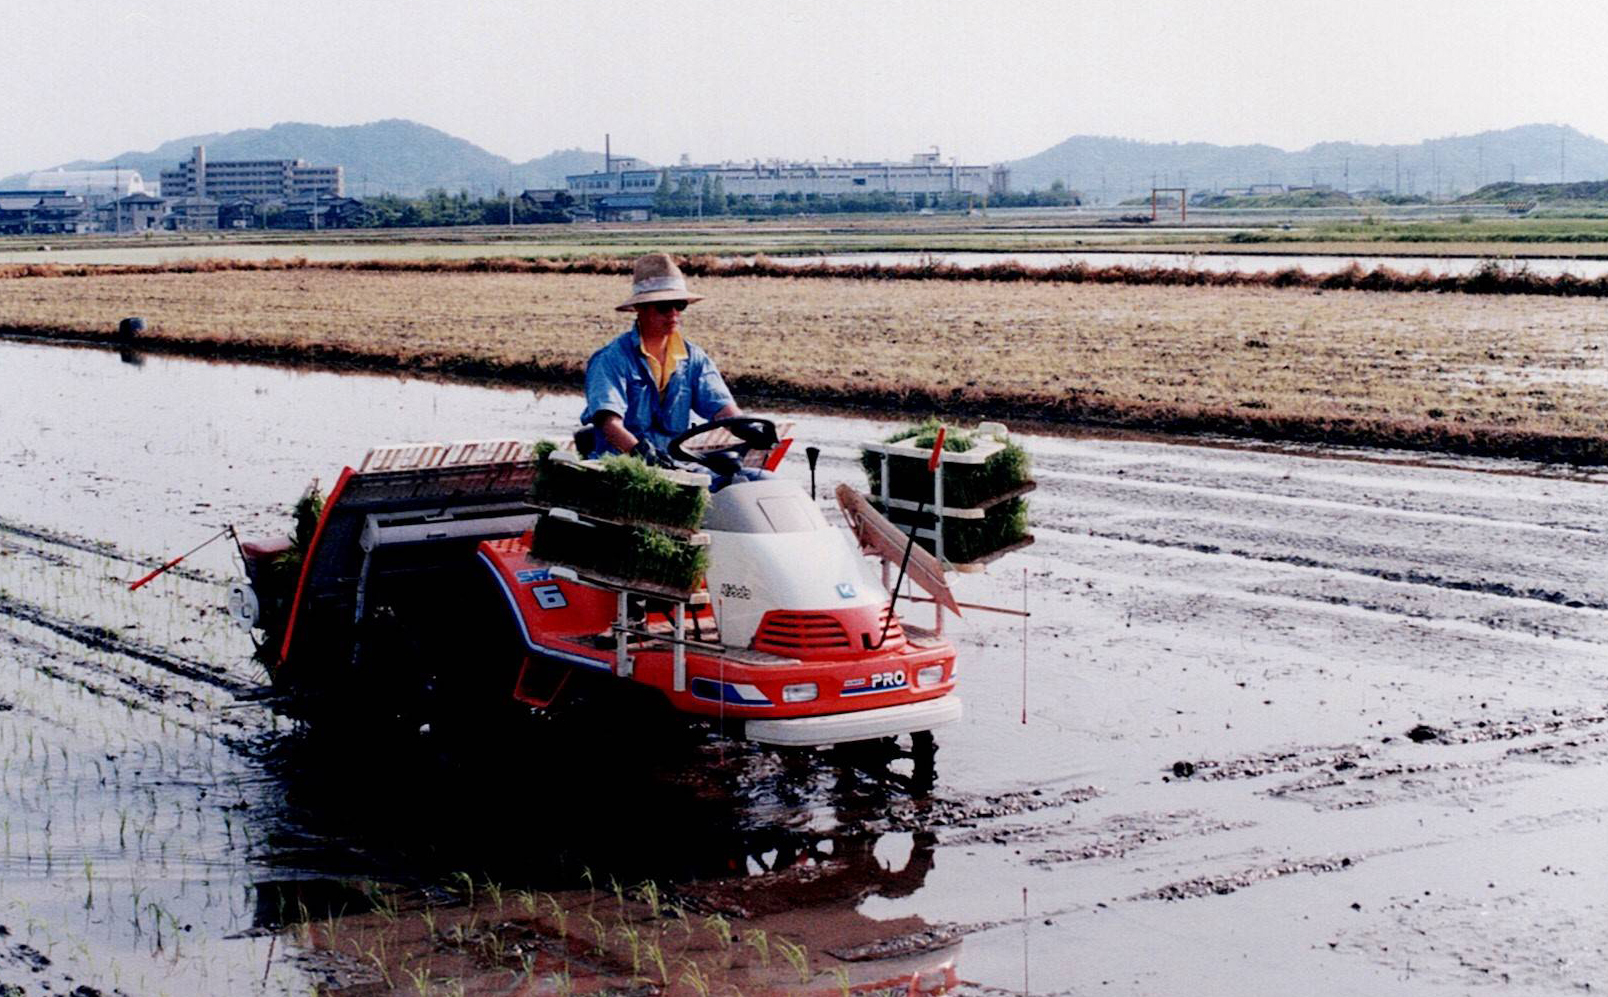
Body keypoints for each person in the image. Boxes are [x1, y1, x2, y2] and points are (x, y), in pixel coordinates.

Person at [580, 252, 740, 464]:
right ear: (640, 309)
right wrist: (640, 453)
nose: (673, 314)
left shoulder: (693, 358)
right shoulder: (610, 360)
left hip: (676, 464)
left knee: (756, 479)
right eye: (664, 307)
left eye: (679, 305)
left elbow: (722, 409)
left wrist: (748, 429)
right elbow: (609, 424)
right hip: (623, 467)